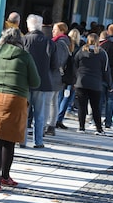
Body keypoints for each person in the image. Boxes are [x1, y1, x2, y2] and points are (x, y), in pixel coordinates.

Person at [0, 28, 40, 191]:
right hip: (16, 99)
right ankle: (6, 176)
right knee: (9, 139)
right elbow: (35, 82)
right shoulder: (25, 57)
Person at [22, 14, 57, 148]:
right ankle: (38, 141)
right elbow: (54, 65)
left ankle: (22, 140)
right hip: (42, 82)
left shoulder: (24, 40)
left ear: (28, 25)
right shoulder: (49, 42)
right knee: (39, 114)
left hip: (26, 81)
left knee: (24, 112)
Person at [74, 33, 111, 135]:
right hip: (95, 83)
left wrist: (75, 79)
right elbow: (106, 70)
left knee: (82, 106)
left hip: (81, 82)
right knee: (95, 107)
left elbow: (75, 64)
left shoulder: (81, 51)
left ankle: (81, 127)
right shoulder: (102, 53)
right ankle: (98, 129)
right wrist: (109, 84)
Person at [56, 28, 84, 128]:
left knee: (59, 97)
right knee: (67, 98)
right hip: (73, 76)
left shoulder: (66, 46)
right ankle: (59, 118)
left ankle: (55, 118)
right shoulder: (80, 48)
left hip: (63, 75)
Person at [48, 22, 71, 135]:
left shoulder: (60, 43)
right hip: (57, 76)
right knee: (53, 102)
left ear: (62, 31)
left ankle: (50, 126)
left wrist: (51, 65)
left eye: (55, 29)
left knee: (50, 102)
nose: (53, 32)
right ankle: (51, 125)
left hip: (55, 76)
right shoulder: (63, 41)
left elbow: (59, 61)